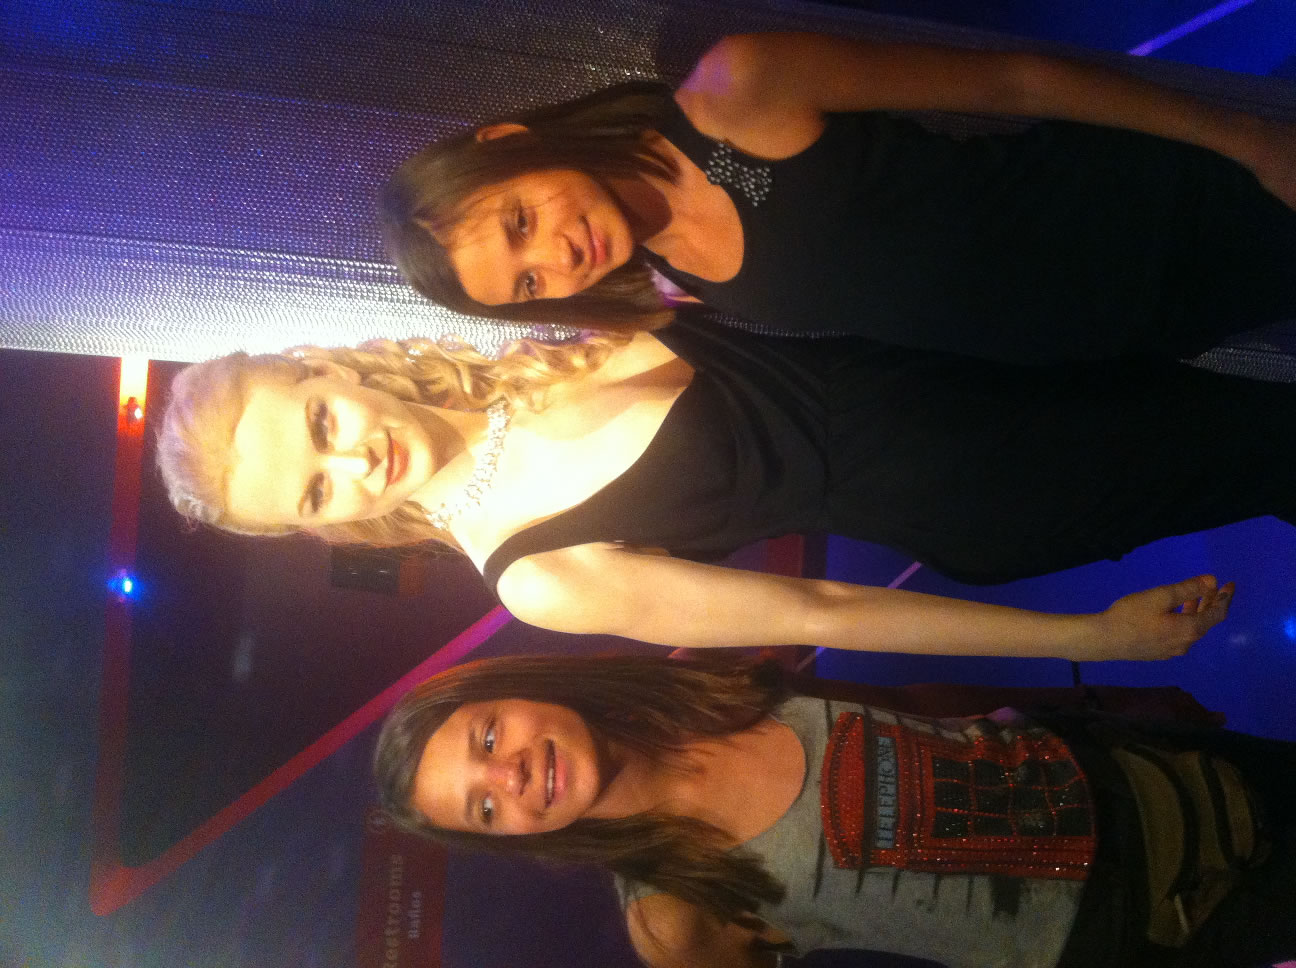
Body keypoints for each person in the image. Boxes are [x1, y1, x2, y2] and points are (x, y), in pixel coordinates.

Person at [155, 315, 1265, 661]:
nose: (355, 463)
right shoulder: (535, 574)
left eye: (321, 425)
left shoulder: (524, 344)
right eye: (316, 493)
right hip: (1004, 479)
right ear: (323, 529)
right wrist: (1090, 639)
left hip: (996, 349)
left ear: (327, 369)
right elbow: (821, 612)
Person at [379, 32, 1296, 364]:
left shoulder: (736, 91)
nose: (556, 258)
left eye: (520, 223)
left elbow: (1014, 81)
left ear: (510, 144)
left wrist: (1251, 140)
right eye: (528, 283)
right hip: (1136, 329)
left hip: (1166, 216)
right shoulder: (675, 281)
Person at [373, 652, 1296, 968]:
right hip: (1157, 923)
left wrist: (1103, 700)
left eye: (486, 737)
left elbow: (921, 707)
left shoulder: (705, 683)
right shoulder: (671, 918)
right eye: (483, 809)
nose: (511, 777)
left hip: (1148, 770)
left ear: (519, 688)